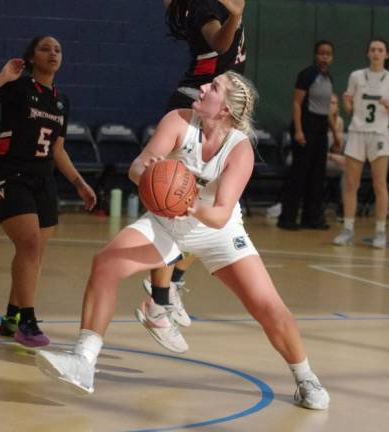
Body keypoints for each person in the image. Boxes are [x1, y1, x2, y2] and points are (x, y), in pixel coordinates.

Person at [35, 71, 330, 410]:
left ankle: (305, 378)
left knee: (268, 308)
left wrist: (189, 204)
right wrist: (149, 171)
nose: (203, 87)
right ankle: (83, 362)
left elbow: (219, 213)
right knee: (105, 264)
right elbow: (136, 167)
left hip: (217, 230)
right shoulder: (177, 120)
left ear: (226, 110)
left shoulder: (240, 150)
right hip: (165, 223)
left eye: (213, 87)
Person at [0, 36, 97, 347]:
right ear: (31, 57)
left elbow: (58, 149)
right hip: (9, 176)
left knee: (32, 252)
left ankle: (11, 316)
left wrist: (79, 183)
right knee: (30, 245)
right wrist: (3, 76)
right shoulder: (18, 88)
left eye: (58, 49)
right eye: (45, 48)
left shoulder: (62, 101)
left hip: (43, 181)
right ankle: (28, 321)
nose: (53, 53)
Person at [140, 0, 248, 329]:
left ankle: (170, 284)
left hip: (219, 108)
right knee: (177, 202)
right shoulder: (206, 7)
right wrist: (237, 15)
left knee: (214, 210)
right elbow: (219, 42)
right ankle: (158, 300)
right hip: (198, 103)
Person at [332, 38, 389, 249]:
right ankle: (348, 229)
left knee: (379, 184)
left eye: (380, 50)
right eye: (372, 49)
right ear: (368, 53)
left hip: (379, 134)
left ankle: (380, 231)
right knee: (351, 183)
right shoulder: (356, 76)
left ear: (386, 54)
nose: (376, 53)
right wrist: (346, 102)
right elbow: (349, 107)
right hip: (357, 132)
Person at [278, 40, 337, 231]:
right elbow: (296, 103)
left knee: (317, 177)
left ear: (332, 57)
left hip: (321, 133)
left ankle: (312, 218)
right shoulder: (307, 75)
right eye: (321, 53)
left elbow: (326, 109)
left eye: (328, 54)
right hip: (305, 131)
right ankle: (287, 218)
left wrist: (336, 133)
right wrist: (299, 130)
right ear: (316, 55)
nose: (325, 57)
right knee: (299, 175)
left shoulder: (329, 78)